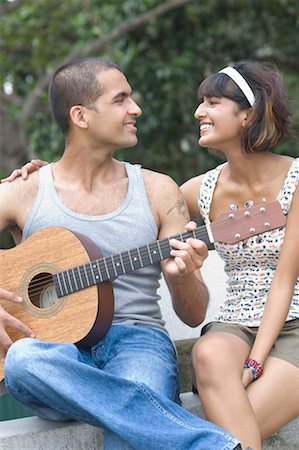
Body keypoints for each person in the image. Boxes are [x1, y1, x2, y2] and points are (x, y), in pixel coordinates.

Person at [0, 59, 241, 450]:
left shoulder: (158, 191)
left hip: (136, 340)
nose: (136, 109)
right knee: (23, 360)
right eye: (121, 99)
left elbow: (193, 314)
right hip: (53, 356)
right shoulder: (24, 190)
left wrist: (183, 276)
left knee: (131, 423)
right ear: (80, 115)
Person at [179, 61, 299, 450]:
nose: (199, 112)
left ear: (247, 115)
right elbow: (131, 210)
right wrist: (58, 176)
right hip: (233, 324)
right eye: (201, 103)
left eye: (212, 102)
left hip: (294, 324)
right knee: (208, 351)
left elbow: (284, 279)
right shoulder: (200, 190)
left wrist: (255, 362)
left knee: (231, 436)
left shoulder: (296, 179)